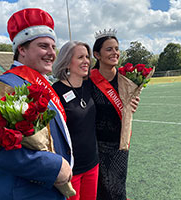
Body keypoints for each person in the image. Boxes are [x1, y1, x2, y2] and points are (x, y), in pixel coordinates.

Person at [0, 8, 73, 200]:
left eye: (53, 47)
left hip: (50, 190)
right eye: (44, 46)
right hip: (25, 194)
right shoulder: (4, 85)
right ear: (21, 49)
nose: (52, 54)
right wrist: (54, 167)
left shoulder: (42, 84)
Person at [90, 29, 139, 200]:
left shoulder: (126, 80)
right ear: (97, 54)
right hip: (95, 144)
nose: (115, 53)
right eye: (109, 49)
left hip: (119, 144)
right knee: (99, 190)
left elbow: (126, 109)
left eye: (117, 49)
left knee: (117, 189)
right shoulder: (88, 81)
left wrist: (132, 106)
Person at [52, 41, 99, 200]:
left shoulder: (90, 86)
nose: (86, 61)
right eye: (80, 57)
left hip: (92, 163)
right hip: (70, 169)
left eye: (87, 57)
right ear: (66, 62)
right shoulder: (55, 91)